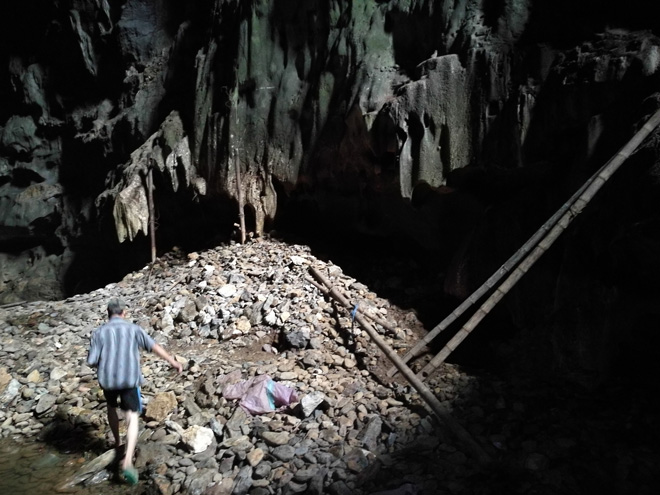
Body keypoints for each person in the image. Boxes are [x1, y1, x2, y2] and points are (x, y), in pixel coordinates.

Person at [87, 298, 183, 485]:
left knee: (111, 408)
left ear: (109, 314)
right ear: (124, 313)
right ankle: (127, 459)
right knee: (131, 416)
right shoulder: (133, 329)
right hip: (129, 380)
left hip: (107, 381)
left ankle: (116, 443)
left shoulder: (99, 332)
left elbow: (91, 361)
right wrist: (173, 361)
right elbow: (154, 347)